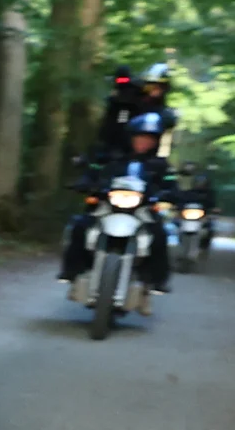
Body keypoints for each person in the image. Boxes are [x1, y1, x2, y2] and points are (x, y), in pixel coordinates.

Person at [62, 62, 178, 301]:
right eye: (151, 85)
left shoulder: (158, 160)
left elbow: (170, 183)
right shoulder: (112, 154)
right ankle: (72, 270)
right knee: (81, 224)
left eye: (160, 87)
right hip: (112, 193)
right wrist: (86, 181)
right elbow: (96, 163)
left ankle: (153, 280)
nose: (155, 90)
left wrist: (170, 196)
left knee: (160, 233)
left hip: (141, 201)